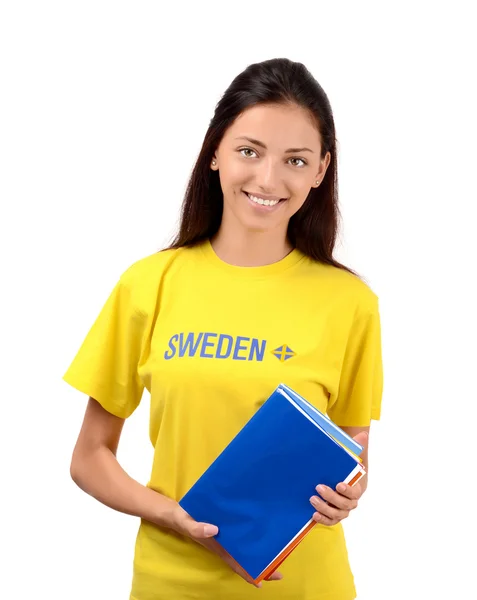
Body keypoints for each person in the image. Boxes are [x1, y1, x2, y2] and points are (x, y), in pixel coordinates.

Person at [63, 57, 383, 600]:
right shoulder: (150, 283)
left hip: (305, 587)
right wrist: (174, 516)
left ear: (321, 170)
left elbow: (352, 451)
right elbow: (89, 457)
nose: (268, 179)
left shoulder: (350, 302)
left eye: (295, 160)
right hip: (172, 582)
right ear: (215, 151)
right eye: (249, 151)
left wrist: (347, 496)